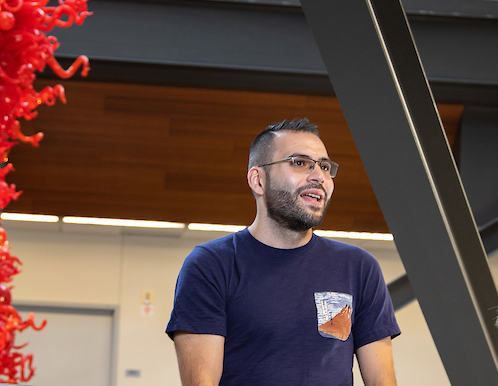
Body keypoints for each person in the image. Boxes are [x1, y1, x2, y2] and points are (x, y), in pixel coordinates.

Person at [165, 118, 400, 386]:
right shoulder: (211, 265)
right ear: (258, 180)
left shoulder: (359, 267)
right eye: (299, 163)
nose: (318, 176)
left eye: (324, 166)